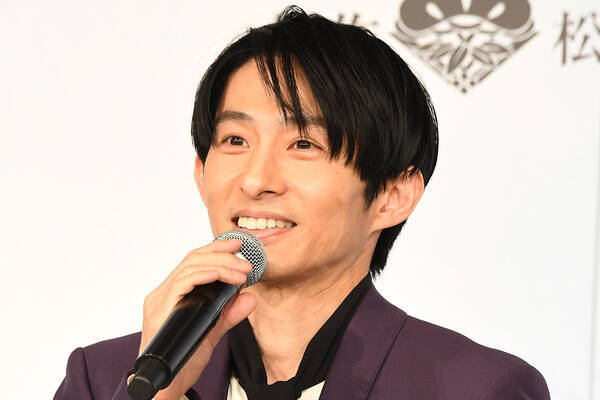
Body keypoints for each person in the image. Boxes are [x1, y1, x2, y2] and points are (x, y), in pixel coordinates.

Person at [55, 6, 550, 400]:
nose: (256, 180)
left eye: (304, 145)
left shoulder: (477, 388)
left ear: (393, 195)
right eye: (234, 141)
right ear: (201, 173)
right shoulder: (102, 379)